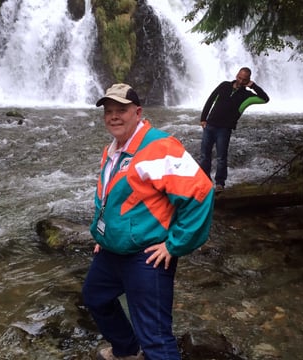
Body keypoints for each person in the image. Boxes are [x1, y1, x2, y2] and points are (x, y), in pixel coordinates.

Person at [82, 83, 214, 360]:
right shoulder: (113, 149)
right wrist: (103, 235)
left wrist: (174, 245)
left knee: (155, 337)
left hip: (148, 255)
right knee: (95, 297)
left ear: (138, 112)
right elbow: (110, 196)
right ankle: (127, 351)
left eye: (121, 110)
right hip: (111, 251)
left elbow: (200, 192)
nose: (114, 116)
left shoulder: (160, 147)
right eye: (109, 111)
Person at [200, 67, 269, 192]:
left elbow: (265, 99)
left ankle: (220, 183)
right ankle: (205, 181)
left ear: (248, 80)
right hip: (210, 125)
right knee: (204, 156)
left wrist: (253, 86)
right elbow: (210, 99)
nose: (240, 81)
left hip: (224, 129)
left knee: (221, 157)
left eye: (244, 80)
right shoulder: (224, 85)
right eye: (239, 77)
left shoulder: (247, 95)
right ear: (236, 75)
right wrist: (203, 118)